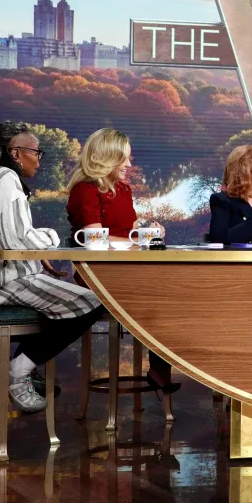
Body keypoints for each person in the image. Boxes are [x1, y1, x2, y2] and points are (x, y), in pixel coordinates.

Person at [0, 122, 105, 413]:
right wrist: (51, 238)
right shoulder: (6, 179)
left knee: (63, 302)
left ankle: (24, 367)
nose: (39, 158)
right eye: (36, 151)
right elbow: (17, 239)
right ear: (16, 153)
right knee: (95, 303)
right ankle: (16, 371)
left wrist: (35, 254)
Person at [66, 128, 179, 396]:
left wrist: (151, 234)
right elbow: (97, 241)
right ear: (105, 158)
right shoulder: (85, 190)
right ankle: (160, 368)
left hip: (127, 270)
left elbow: (132, 233)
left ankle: (161, 366)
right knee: (158, 295)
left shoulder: (123, 190)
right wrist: (135, 241)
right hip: (97, 275)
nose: (129, 165)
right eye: (124, 159)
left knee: (173, 291)